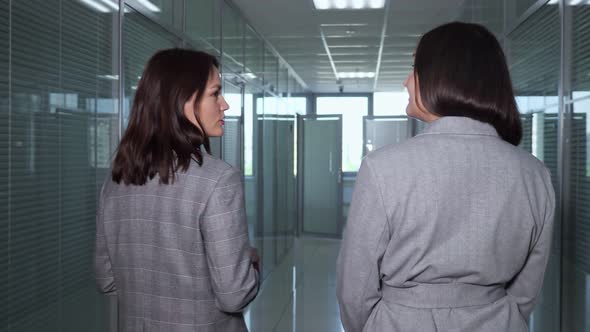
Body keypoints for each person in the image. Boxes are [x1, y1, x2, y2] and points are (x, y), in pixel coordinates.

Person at [337, 22, 555, 332]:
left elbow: (354, 288)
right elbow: (527, 290)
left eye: (415, 68)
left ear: (445, 75)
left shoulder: (382, 167)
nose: (405, 81)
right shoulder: (534, 174)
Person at [94, 48, 260, 331]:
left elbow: (107, 279)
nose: (225, 105)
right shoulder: (219, 179)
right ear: (183, 99)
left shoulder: (117, 179)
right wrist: (251, 265)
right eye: (215, 93)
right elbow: (234, 295)